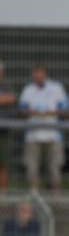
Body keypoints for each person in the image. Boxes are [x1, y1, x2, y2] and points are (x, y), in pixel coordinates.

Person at [18, 64, 69, 191]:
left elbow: (66, 110)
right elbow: (21, 111)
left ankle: (56, 199)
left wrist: (50, 113)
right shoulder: (28, 90)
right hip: (33, 136)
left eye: (41, 73)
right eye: (36, 73)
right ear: (33, 74)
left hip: (53, 135)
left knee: (55, 169)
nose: (38, 76)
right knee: (32, 169)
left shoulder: (56, 88)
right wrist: (33, 112)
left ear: (45, 74)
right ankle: (34, 198)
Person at [0, 61, 17, 192]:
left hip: (3, 131)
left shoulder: (6, 86)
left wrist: (5, 99)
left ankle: (3, 196)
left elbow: (11, 98)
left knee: (3, 164)